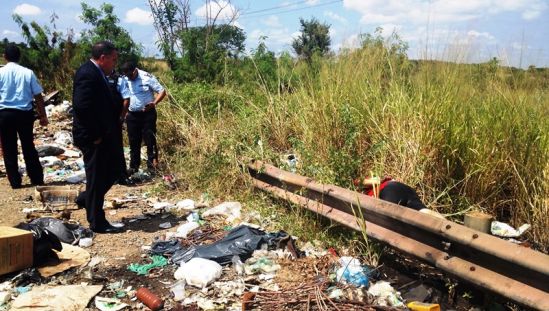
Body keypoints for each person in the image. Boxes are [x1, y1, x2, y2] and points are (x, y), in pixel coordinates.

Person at [72, 41, 123, 234]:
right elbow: (82, 107)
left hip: (103, 135)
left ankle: (88, 199)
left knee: (113, 170)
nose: (114, 63)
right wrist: (95, 135)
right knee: (96, 176)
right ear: (103, 58)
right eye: (113, 59)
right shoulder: (87, 73)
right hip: (92, 137)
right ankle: (97, 221)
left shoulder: (98, 74)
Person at [0, 43, 48, 189]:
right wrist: (43, 116)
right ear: (19, 57)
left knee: (9, 148)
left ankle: (15, 181)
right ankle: (36, 178)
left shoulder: (0, 73)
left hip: (5, 114)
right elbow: (38, 96)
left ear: (5, 57)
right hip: (24, 114)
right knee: (28, 146)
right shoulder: (28, 72)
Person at [121, 61, 166, 174]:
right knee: (133, 141)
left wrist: (154, 103)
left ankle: (152, 166)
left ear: (135, 70)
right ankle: (134, 166)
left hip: (147, 114)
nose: (129, 77)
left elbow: (162, 91)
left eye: (131, 75)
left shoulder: (146, 77)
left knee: (150, 140)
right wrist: (125, 112)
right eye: (127, 76)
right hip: (132, 115)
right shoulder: (124, 79)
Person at [106, 69, 130, 184]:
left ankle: (120, 175)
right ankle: (108, 175)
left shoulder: (119, 80)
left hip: (115, 119)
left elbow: (126, 99)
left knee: (116, 147)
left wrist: (121, 116)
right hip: (102, 119)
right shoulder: (99, 77)